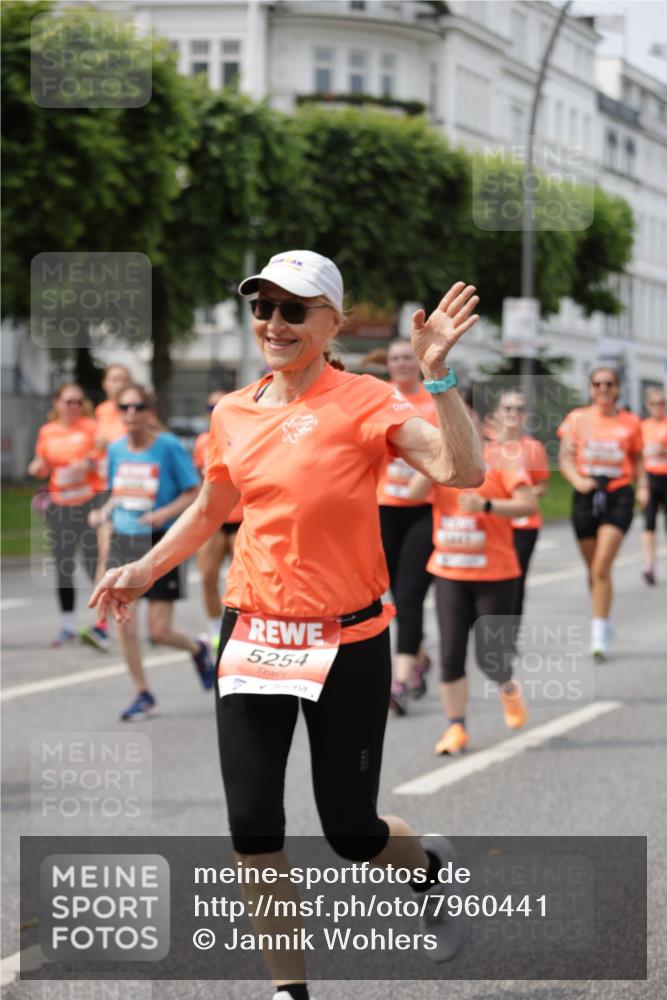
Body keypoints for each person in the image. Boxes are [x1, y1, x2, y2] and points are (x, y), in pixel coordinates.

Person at [89, 250, 485, 998]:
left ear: (332, 320)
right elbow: (212, 507)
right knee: (252, 828)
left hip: (348, 640)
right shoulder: (232, 410)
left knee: (349, 832)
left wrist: (436, 378)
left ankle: (428, 870)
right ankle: (289, 992)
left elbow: (462, 471)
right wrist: (143, 569)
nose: (273, 323)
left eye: (293, 309)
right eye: (262, 307)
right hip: (254, 635)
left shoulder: (363, 399)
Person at [409, 410, 537, 755]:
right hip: (450, 572)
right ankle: (456, 728)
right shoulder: (443, 462)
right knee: (450, 653)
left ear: (482, 427)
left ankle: (508, 689)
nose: (457, 428)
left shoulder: (502, 460)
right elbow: (412, 493)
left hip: (495, 574)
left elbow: (528, 503)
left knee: (490, 655)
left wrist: (487, 504)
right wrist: (435, 461)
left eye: (465, 422)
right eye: (450, 422)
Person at [88, 383, 216, 720]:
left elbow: (194, 492)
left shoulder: (168, 446)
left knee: (158, 631)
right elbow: (119, 491)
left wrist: (162, 514)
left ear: (150, 412)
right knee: (125, 625)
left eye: (139, 407)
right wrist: (105, 511)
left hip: (159, 543)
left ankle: (197, 648)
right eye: (125, 408)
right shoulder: (116, 449)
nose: (132, 414)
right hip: (124, 541)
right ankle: (142, 693)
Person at [558, 367, 647, 660]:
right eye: (598, 383)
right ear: (591, 388)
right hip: (585, 494)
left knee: (601, 566)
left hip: (618, 494)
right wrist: (577, 480)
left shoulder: (631, 423)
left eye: (610, 384)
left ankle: (598, 636)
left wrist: (643, 486)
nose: (604, 388)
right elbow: (565, 459)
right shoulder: (577, 419)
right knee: (593, 569)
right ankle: (604, 619)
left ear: (618, 388)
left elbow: (637, 460)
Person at [378, 338, 437, 715]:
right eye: (394, 358)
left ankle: (398, 681)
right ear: (387, 365)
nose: (401, 364)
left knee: (410, 594)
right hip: (383, 508)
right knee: (392, 594)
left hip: (424, 510)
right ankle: (417, 655)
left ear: (417, 363)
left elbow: (449, 451)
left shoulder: (433, 406)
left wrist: (425, 479)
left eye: (406, 358)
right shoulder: (377, 402)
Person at [27, 383, 101, 646]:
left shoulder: (91, 428)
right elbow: (43, 463)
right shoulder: (48, 431)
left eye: (78, 402)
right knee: (63, 564)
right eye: (68, 401)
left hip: (88, 503)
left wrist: (88, 464)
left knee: (94, 564)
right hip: (60, 505)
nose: (73, 407)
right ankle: (68, 625)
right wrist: (38, 466)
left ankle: (102, 624)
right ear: (56, 403)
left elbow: (104, 461)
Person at [484, 389, 550, 620]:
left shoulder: (533, 448)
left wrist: (529, 493)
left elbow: (542, 484)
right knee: (487, 578)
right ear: (497, 413)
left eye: (519, 409)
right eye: (507, 408)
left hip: (523, 525)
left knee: (516, 579)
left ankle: (510, 634)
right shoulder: (486, 447)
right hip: (490, 522)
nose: (513, 413)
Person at [81, 363, 132, 651]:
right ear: (105, 384)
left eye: (123, 378)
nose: (118, 383)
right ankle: (103, 624)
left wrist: (109, 441)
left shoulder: (134, 409)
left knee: (118, 556)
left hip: (132, 489)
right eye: (114, 379)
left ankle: (116, 622)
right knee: (106, 555)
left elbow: (137, 443)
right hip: (105, 487)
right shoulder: (100, 413)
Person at [193, 390, 243, 648]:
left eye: (220, 407)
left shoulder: (246, 434)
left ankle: (242, 629)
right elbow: (199, 480)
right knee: (208, 576)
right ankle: (215, 630)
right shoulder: (202, 441)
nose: (215, 412)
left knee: (244, 580)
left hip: (241, 518)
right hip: (215, 520)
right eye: (210, 408)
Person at [640, 386, 667, 585]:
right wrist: (641, 484)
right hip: (650, 478)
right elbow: (636, 456)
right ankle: (649, 564)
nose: (658, 406)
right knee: (649, 522)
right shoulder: (642, 427)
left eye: (662, 403)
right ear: (647, 405)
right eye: (654, 403)